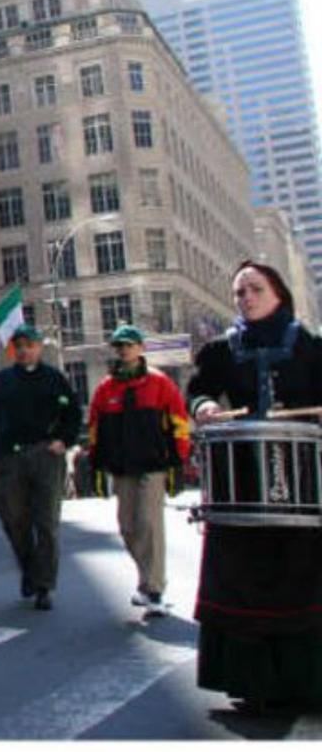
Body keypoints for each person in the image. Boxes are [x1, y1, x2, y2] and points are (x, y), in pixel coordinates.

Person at [187, 261, 322, 711]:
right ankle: (255, 683)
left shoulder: (309, 346)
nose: (245, 298)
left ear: (279, 293)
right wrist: (204, 404)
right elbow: (199, 390)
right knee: (243, 575)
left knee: (303, 573)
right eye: (239, 292)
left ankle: (307, 682)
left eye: (254, 289)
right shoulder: (221, 350)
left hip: (302, 477)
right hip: (242, 481)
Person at [87, 325, 190, 618]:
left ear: (141, 348)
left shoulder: (160, 383)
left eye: (129, 345)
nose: (124, 350)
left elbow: (179, 422)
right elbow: (95, 429)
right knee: (128, 527)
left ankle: (155, 588)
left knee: (149, 523)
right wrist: (97, 466)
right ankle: (145, 582)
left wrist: (177, 461)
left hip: (154, 465)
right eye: (119, 345)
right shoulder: (106, 388)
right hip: (123, 468)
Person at [0, 325, 81, 611]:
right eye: (19, 346)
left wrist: (63, 440)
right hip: (10, 458)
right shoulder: (2, 380)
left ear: (39, 347)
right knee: (15, 520)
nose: (24, 350)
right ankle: (29, 570)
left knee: (47, 522)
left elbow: (72, 413)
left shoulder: (54, 379)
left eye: (29, 345)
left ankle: (44, 586)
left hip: (44, 455)